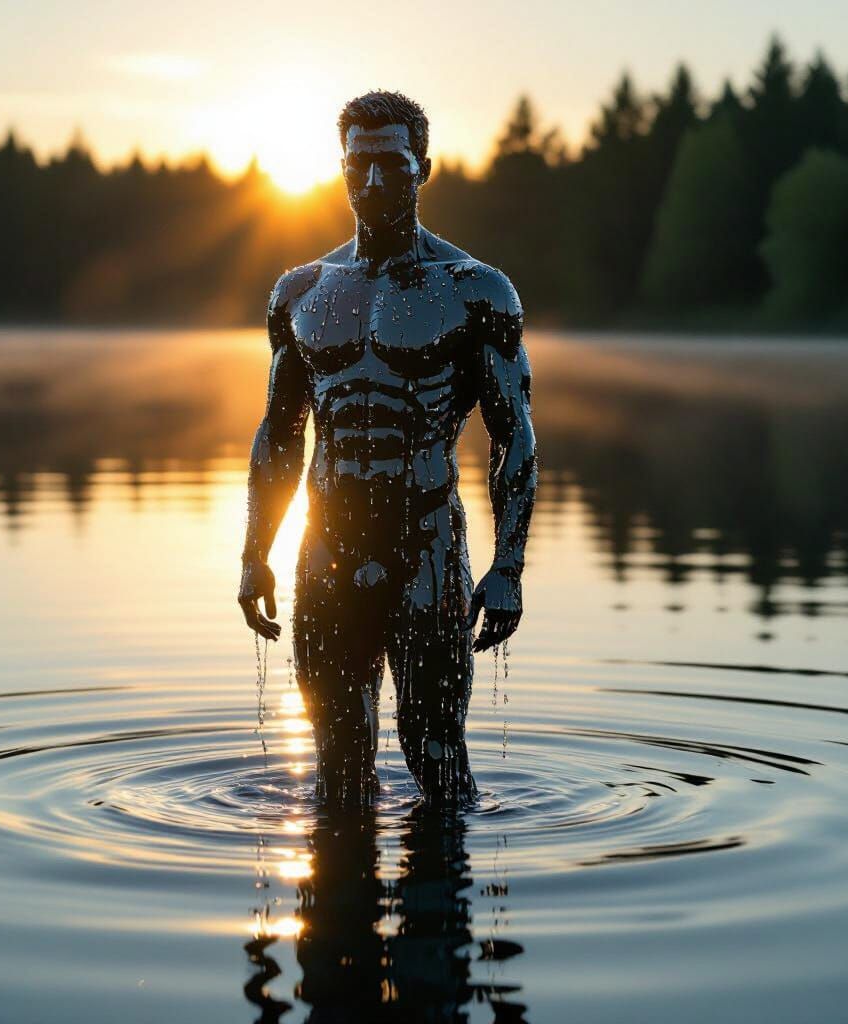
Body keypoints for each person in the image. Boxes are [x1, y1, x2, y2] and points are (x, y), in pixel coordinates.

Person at [238, 90, 537, 808]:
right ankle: (339, 910)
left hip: (426, 542)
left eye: (392, 166)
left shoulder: (473, 292)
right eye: (358, 166)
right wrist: (255, 551)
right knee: (337, 770)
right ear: (341, 169)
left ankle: (442, 905)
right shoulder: (302, 292)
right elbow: (279, 434)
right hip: (326, 545)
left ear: (422, 169)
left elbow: (513, 436)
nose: (373, 184)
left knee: (436, 758)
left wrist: (509, 567)